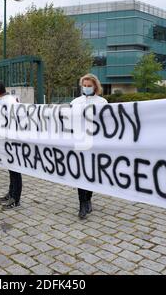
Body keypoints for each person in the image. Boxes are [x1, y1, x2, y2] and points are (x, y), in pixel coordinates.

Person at [70, 73, 108, 220]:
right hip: (80, 142)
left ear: (95, 86)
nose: (86, 88)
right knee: (80, 173)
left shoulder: (102, 102)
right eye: (84, 86)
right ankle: (82, 204)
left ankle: (88, 199)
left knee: (91, 173)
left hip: (95, 142)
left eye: (89, 86)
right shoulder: (75, 102)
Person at [0, 80, 23, 210]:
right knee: (11, 169)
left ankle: (16, 198)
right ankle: (11, 193)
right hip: (7, 140)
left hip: (12, 140)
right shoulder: (5, 99)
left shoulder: (8, 101)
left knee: (15, 170)